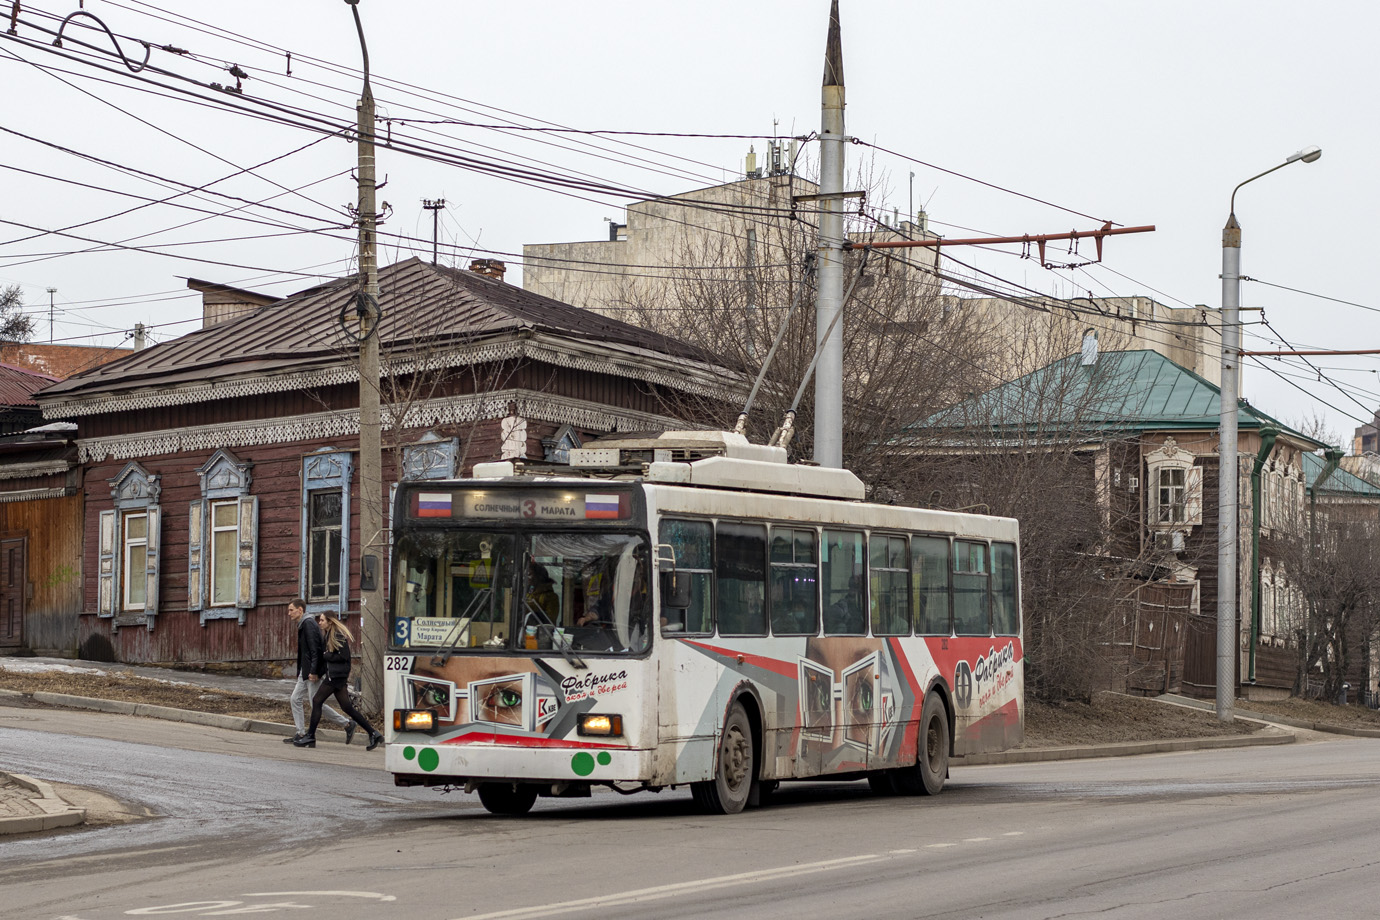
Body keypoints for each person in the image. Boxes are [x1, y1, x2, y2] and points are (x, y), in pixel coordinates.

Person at [293, 613, 383, 750]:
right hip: (336, 676)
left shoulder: (337, 635)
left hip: (335, 677)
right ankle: (374, 733)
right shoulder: (329, 634)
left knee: (317, 701)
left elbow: (344, 656)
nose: (320, 623)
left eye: (322, 620)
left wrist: (326, 655)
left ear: (330, 622)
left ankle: (310, 736)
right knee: (347, 707)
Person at [285, 598, 353, 745]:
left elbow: (315, 650)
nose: (288, 613)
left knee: (316, 702)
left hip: (311, 670)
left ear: (300, 610)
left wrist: (314, 671)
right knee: (295, 699)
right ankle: (300, 732)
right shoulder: (303, 624)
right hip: (306, 669)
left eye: (291, 610)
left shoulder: (308, 624)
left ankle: (347, 724)